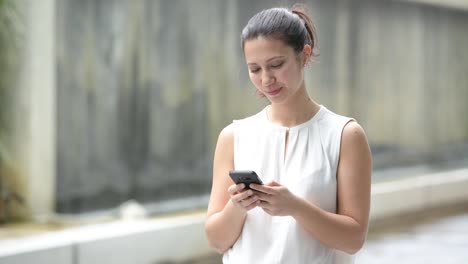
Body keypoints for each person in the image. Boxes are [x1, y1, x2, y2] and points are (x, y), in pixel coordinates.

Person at [205, 4, 372, 264]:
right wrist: (237, 207)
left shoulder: (345, 135)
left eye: (276, 64)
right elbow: (216, 241)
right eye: (255, 69)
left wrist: (295, 207)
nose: (266, 79)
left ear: (304, 55)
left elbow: (353, 240)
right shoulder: (233, 136)